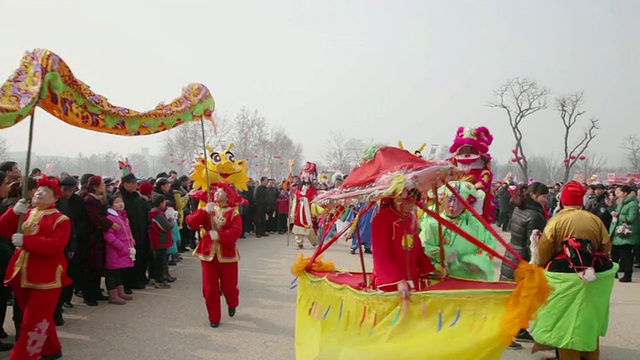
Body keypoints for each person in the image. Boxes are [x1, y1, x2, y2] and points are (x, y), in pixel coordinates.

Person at [532, 181, 614, 359]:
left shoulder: (556, 220)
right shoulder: (594, 219)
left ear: (563, 200)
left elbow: (544, 252)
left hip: (563, 277)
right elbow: (606, 246)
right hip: (592, 276)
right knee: (587, 322)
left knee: (565, 323)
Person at [0, 177, 70, 359]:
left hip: (46, 277)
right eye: (39, 189)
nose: (39, 192)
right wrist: (13, 213)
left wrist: (27, 241)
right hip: (22, 273)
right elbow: (2, 229)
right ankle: (51, 349)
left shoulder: (61, 219)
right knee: (35, 318)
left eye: (46, 191)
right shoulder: (27, 213)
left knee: (33, 322)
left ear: (55, 198)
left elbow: (56, 246)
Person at [498, 182, 548, 347]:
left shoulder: (521, 207)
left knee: (515, 297)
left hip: (512, 254)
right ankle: (507, 333)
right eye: (544, 196)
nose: (546, 200)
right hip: (523, 260)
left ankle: (518, 330)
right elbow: (532, 244)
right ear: (534, 195)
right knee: (519, 298)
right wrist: (536, 265)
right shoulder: (535, 216)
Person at [187, 182, 243, 328]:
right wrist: (204, 211)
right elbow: (191, 222)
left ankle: (232, 303)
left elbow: (236, 232)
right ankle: (214, 317)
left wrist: (218, 235)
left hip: (227, 255)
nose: (216, 193)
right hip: (207, 254)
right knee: (210, 289)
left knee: (229, 287)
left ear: (228, 195)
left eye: (220, 192)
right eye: (216, 191)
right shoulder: (208, 208)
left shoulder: (233, 213)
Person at [420, 181, 496, 281]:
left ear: (465, 203)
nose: (452, 205)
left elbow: (489, 245)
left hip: (469, 281)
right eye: (449, 200)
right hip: (442, 281)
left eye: (458, 202)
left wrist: (476, 261)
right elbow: (424, 247)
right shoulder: (433, 224)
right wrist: (444, 256)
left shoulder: (475, 224)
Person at [371, 189, 435, 297]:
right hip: (391, 282)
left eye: (413, 203)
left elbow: (417, 248)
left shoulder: (411, 218)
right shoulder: (381, 219)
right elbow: (380, 255)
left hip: (410, 278)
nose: (410, 207)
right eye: (407, 202)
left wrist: (428, 269)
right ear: (396, 199)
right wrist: (397, 280)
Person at [103, 195, 135, 304]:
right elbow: (108, 236)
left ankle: (120, 292)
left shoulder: (123, 217)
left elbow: (128, 232)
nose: (120, 204)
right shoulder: (111, 218)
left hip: (124, 249)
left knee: (119, 272)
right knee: (112, 273)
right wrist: (121, 246)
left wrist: (132, 242)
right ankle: (113, 295)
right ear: (111, 205)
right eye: (117, 202)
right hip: (115, 250)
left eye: (121, 201)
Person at [609, 184, 639, 283]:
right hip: (618, 233)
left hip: (627, 234)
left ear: (625, 193)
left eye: (619, 192)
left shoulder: (632, 204)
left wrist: (618, 216)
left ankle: (627, 274)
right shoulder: (620, 203)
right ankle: (614, 272)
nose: (616, 193)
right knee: (614, 254)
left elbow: (631, 218)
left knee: (626, 255)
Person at [147, 194, 174, 289]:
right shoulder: (158, 215)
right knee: (159, 262)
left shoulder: (156, 213)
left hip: (158, 241)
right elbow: (167, 227)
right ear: (161, 203)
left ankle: (155, 277)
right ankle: (159, 280)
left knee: (156, 261)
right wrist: (171, 221)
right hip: (160, 241)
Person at [290, 162, 319, 249]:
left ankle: (314, 241)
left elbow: (314, 199)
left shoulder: (313, 189)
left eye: (308, 174)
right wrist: (293, 197)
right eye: (304, 173)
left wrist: (305, 199)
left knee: (309, 225)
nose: (306, 176)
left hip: (308, 209)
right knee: (298, 224)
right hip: (299, 209)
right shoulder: (298, 188)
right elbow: (296, 197)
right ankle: (299, 242)